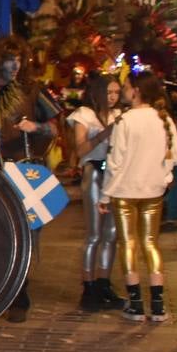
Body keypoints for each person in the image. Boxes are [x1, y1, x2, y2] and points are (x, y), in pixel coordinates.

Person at [0, 35, 61, 319]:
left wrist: (36, 127)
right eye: (9, 59)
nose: (16, 65)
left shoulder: (31, 91)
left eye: (19, 59)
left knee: (25, 235)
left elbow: (55, 129)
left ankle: (20, 291)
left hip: (22, 170)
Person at [103, 75, 177, 323]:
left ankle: (136, 304)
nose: (124, 92)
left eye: (125, 87)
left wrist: (105, 194)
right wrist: (164, 176)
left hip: (125, 190)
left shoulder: (125, 120)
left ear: (136, 91)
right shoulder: (163, 119)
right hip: (153, 189)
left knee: (128, 244)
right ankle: (157, 304)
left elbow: (115, 162)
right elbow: (175, 156)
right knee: (151, 243)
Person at [64, 76, 124, 312]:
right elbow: (80, 149)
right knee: (94, 234)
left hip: (115, 174)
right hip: (94, 171)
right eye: (109, 92)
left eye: (117, 92)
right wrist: (104, 134)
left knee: (112, 234)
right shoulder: (84, 114)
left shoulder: (119, 113)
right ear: (98, 91)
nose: (113, 97)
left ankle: (104, 284)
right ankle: (88, 288)